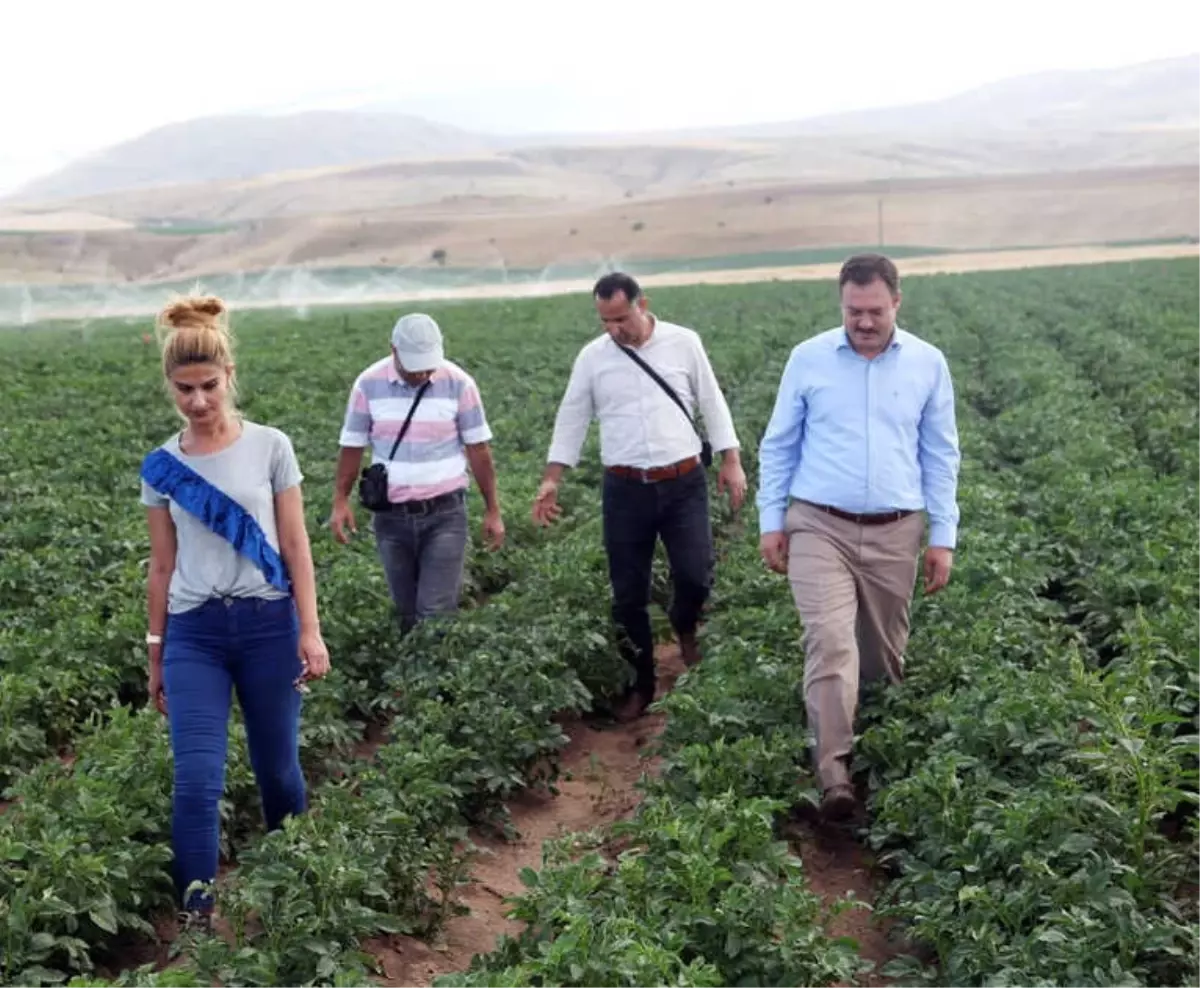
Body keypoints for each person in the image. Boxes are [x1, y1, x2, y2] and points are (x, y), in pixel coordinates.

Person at [140, 294, 331, 928]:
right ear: (169, 385)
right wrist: (156, 655)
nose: (197, 401)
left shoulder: (272, 447)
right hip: (196, 633)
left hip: (267, 625)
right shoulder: (162, 467)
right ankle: (197, 912)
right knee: (196, 779)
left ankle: (299, 886)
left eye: (208, 386)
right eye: (184, 389)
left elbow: (296, 544)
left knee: (277, 769)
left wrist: (310, 629)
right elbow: (162, 567)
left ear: (230, 378)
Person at [756, 253, 961, 821]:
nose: (864, 322)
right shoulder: (809, 360)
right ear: (840, 304)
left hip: (897, 531)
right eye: (853, 312)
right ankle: (834, 774)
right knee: (830, 641)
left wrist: (942, 536)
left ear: (897, 301)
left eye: (874, 311)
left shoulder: (927, 363)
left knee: (881, 657)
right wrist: (771, 521)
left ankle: (885, 760)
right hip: (819, 523)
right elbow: (779, 445)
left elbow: (941, 454)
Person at [532, 272, 746, 722]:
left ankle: (684, 623)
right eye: (605, 321)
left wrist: (731, 460)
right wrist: (553, 478)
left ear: (641, 303)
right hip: (625, 488)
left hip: (683, 482)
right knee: (627, 593)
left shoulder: (683, 343)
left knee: (695, 575)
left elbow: (712, 400)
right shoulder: (593, 359)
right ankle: (641, 683)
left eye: (621, 318)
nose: (614, 329)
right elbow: (571, 418)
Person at [331, 312, 503, 633]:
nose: (422, 372)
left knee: (435, 613)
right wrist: (340, 501)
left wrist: (493, 509)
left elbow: (479, 451)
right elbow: (351, 447)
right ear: (393, 350)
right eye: (415, 365)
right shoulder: (368, 385)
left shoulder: (459, 384)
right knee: (407, 612)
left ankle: (433, 679)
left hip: (445, 514)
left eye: (428, 364)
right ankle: (415, 679)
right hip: (391, 519)